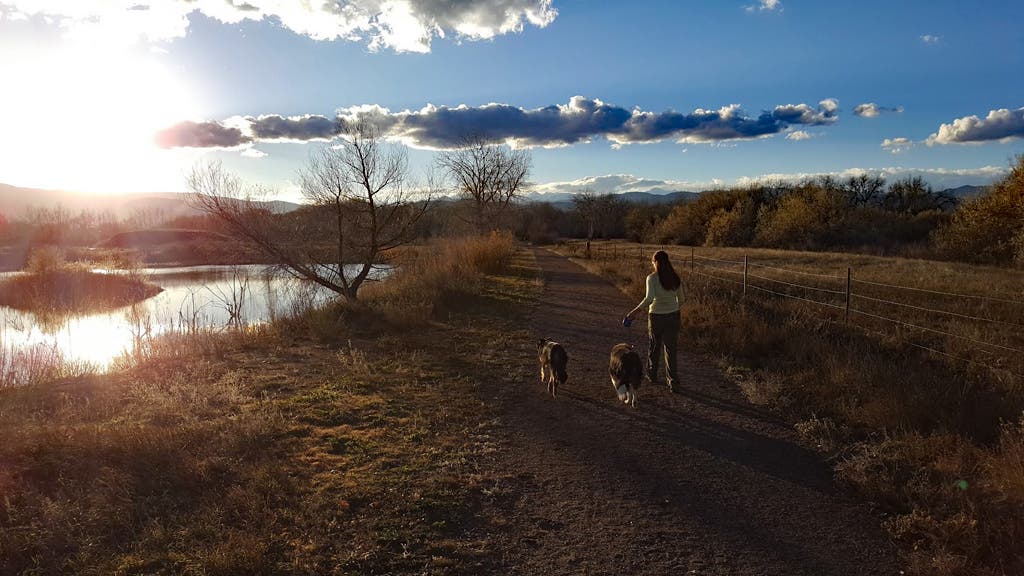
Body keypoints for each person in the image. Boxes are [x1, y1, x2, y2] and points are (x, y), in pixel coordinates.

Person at [624, 250, 683, 393]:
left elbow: (649, 299)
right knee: (671, 350)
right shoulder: (675, 278)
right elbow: (682, 299)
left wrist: (633, 313)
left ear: (656, 262)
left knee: (654, 346)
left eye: (652, 262)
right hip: (673, 316)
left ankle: (652, 374)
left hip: (656, 316)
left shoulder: (652, 278)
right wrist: (672, 308)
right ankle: (673, 382)